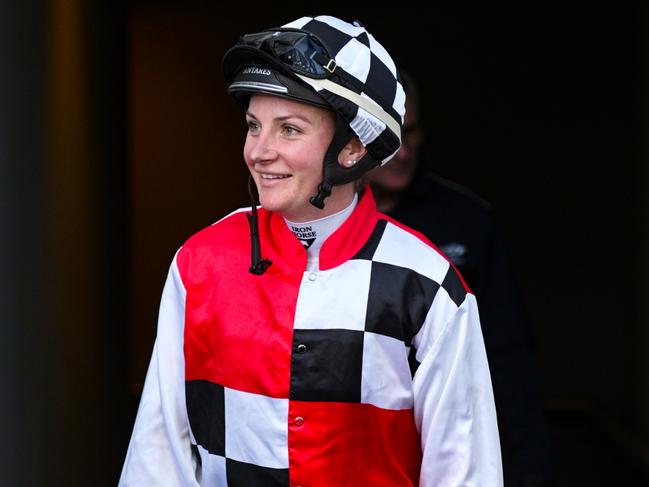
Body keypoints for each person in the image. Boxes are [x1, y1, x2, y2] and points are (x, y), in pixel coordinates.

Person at [120, 15, 502, 486]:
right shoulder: (200, 262)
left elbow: (465, 474)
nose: (259, 151)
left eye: (289, 130)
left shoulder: (427, 282)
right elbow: (157, 462)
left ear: (354, 148)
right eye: (253, 126)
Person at [366, 71, 556, 486]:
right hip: (362, 446)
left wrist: (533, 469)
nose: (403, 150)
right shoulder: (317, 224)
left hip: (453, 443)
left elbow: (506, 352)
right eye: (390, 136)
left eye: (411, 132)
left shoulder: (467, 219)